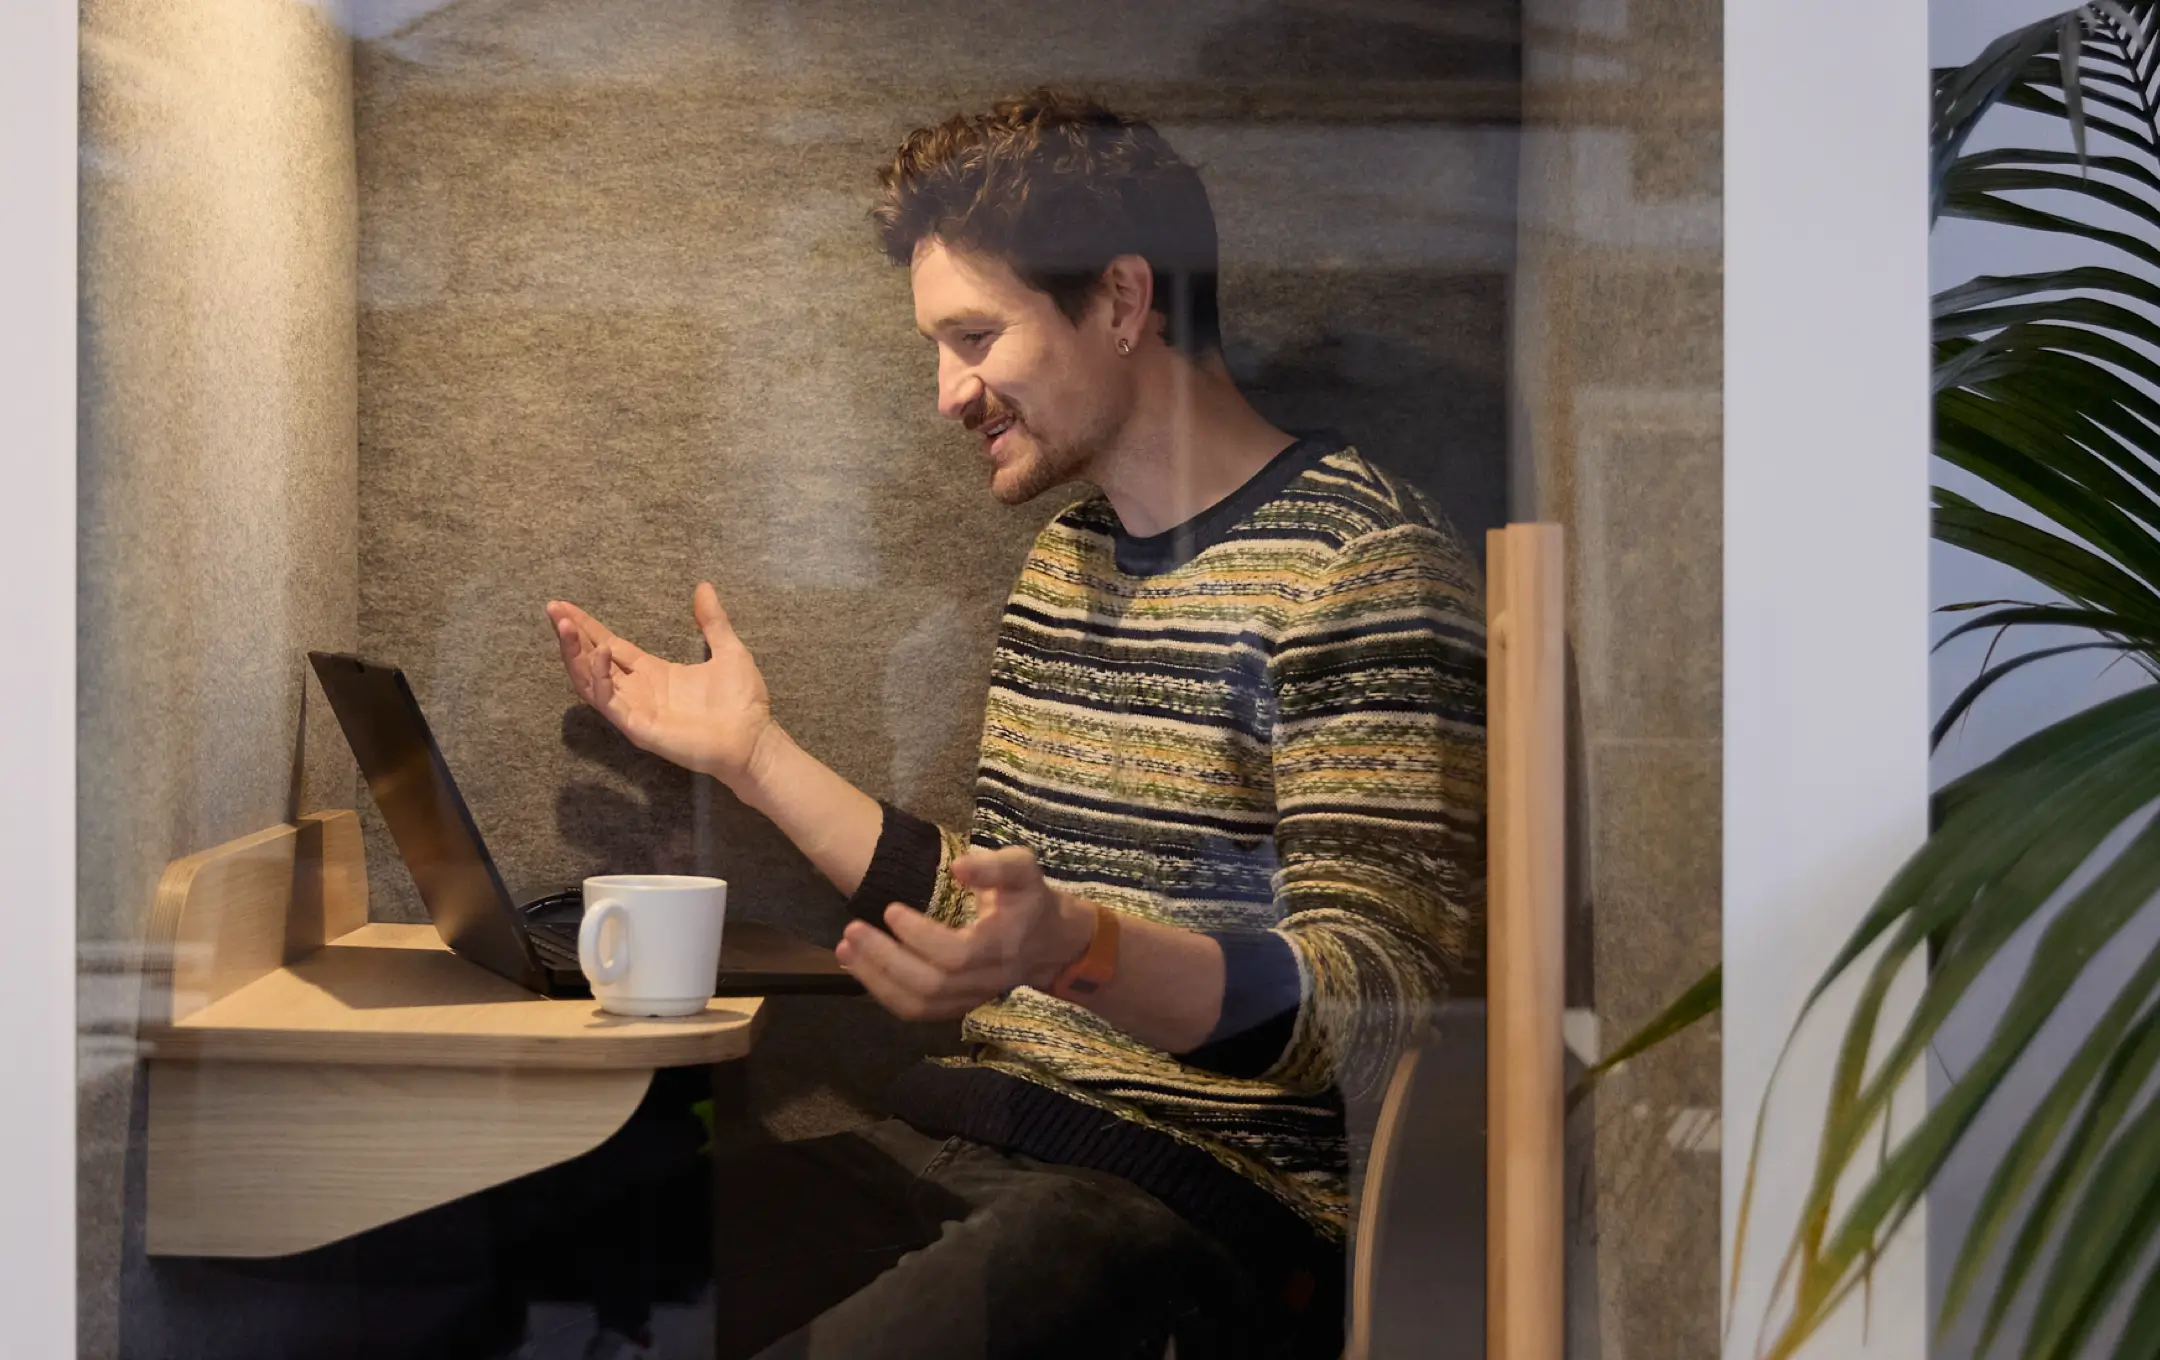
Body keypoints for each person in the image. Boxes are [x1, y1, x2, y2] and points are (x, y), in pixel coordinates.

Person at [546, 88, 1485, 1360]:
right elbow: (1008, 923)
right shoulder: (1068, 561)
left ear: (1119, 300)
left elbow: (1384, 1009)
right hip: (971, 1139)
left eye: (976, 337)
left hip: (1196, 1210)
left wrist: (1082, 947)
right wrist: (755, 758)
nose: (947, 393)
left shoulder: (1362, 565)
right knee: (577, 1281)